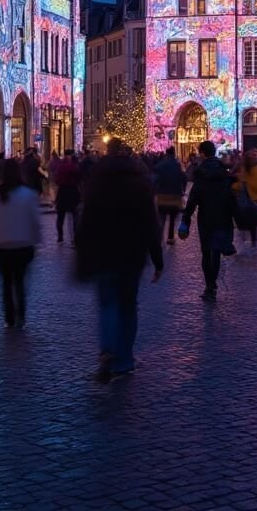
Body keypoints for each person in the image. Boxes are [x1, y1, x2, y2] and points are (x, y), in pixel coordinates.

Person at [76, 139, 163, 380]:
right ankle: (124, 360)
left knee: (107, 304)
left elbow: (85, 219)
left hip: (103, 252)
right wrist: (157, 259)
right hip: (131, 254)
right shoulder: (140, 183)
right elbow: (151, 224)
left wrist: (82, 251)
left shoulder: (97, 182)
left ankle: (107, 349)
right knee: (127, 306)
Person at [0, 157, 41, 328]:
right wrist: (37, 240)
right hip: (23, 244)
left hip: (1, 245)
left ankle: (9, 317)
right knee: (20, 281)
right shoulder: (28, 194)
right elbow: (35, 220)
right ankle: (21, 315)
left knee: (6, 282)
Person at [180, 140, 236, 302]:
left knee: (206, 253)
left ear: (203, 154)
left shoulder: (201, 173)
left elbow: (193, 199)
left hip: (205, 218)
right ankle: (213, 285)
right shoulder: (224, 172)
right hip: (223, 217)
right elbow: (231, 197)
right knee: (216, 252)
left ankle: (210, 286)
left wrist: (186, 220)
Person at [154, 147, 187, 245]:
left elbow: (155, 178)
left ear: (166, 154)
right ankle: (170, 238)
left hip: (162, 195)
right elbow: (184, 178)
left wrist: (156, 189)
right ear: (174, 153)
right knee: (172, 219)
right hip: (175, 196)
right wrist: (183, 189)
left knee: (161, 218)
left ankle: (159, 238)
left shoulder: (160, 165)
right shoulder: (178, 165)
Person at [234, 148, 257, 248]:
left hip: (243, 201)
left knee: (244, 221)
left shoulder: (242, 169)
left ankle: (245, 242)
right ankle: (253, 243)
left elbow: (236, 186)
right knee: (253, 223)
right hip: (253, 201)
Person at [53, 149, 82, 243]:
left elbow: (57, 180)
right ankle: (75, 236)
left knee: (60, 215)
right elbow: (78, 178)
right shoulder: (74, 166)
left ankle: (60, 235)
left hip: (62, 191)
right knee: (75, 215)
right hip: (72, 191)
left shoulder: (61, 166)